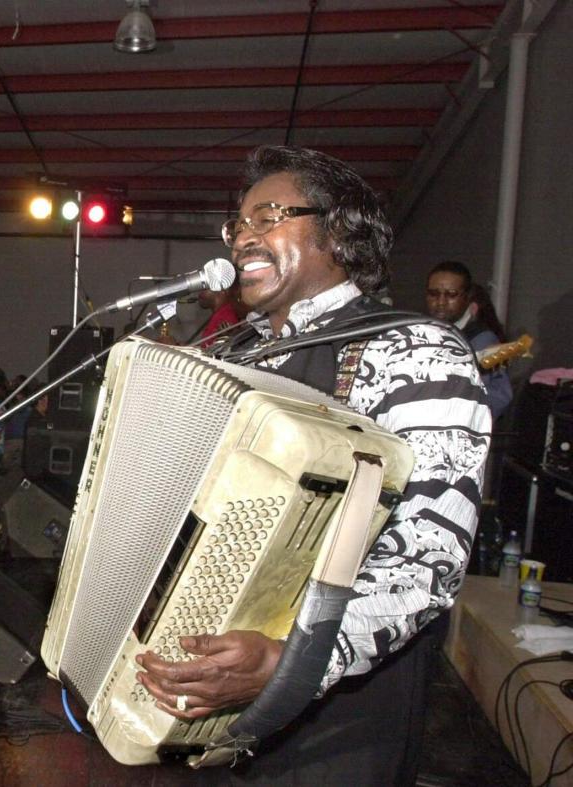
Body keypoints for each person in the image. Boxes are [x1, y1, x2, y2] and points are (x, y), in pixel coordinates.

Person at [133, 146, 491, 785]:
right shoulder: (228, 353)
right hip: (198, 708)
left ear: (341, 233)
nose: (244, 236)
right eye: (237, 225)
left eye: (268, 216)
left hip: (336, 730)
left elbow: (430, 557)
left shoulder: (418, 351)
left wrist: (293, 658)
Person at [425, 260, 514, 419]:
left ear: (467, 298)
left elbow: (498, 397)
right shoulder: (421, 332)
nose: (441, 301)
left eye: (451, 294)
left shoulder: (483, 341)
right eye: (434, 293)